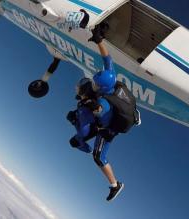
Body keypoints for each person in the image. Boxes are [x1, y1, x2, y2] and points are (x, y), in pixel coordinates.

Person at [67, 23, 126, 202]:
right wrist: (99, 41)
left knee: (98, 157)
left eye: (94, 85)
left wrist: (76, 121)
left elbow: (84, 131)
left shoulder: (98, 102)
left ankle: (115, 185)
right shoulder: (110, 78)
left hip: (108, 129)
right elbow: (108, 60)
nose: (93, 86)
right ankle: (134, 115)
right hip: (119, 107)